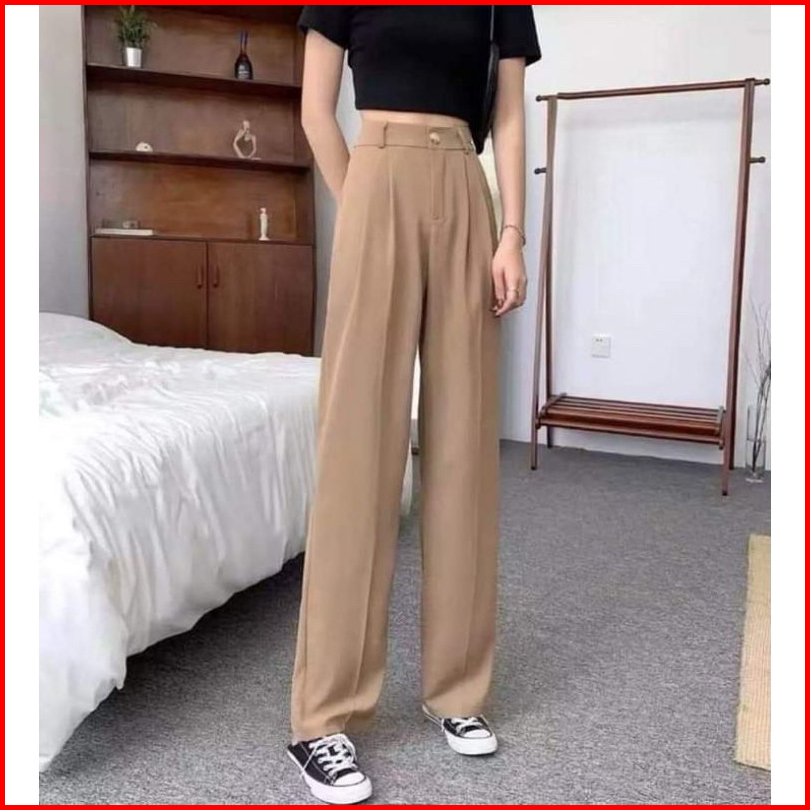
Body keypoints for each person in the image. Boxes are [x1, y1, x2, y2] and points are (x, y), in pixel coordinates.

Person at [286, 6, 541, 804]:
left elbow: (508, 113)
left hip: (464, 183)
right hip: (378, 173)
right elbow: (315, 108)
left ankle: (457, 690)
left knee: (463, 448)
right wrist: (361, 204)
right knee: (358, 452)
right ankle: (323, 717)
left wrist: (512, 233)